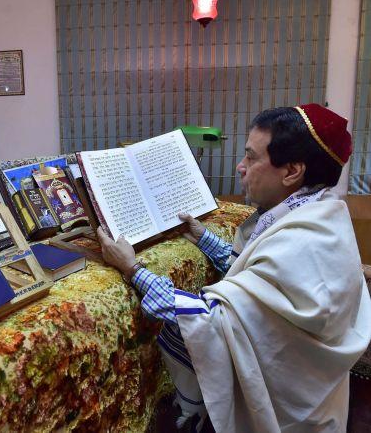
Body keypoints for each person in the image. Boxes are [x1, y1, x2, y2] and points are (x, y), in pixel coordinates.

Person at [97, 104, 371, 432]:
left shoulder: (305, 246)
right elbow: (257, 277)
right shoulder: (318, 215)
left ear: (292, 171)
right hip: (313, 399)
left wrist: (132, 268)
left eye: (252, 157)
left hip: (289, 418)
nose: (241, 167)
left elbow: (209, 323)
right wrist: (202, 237)